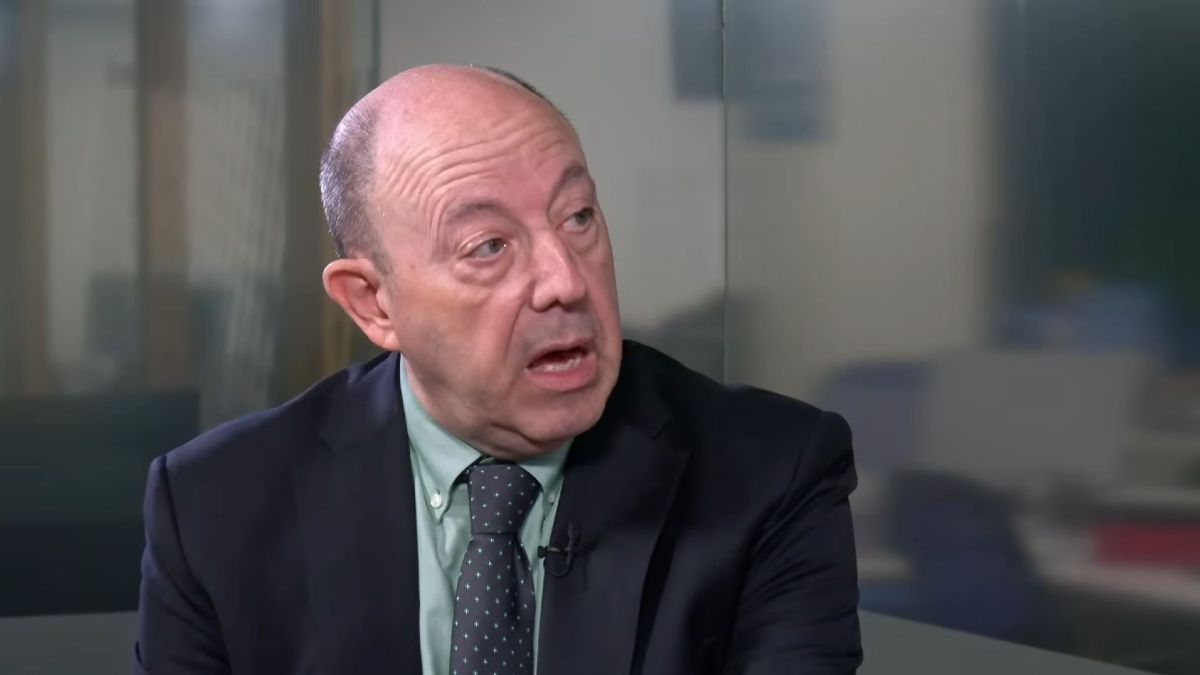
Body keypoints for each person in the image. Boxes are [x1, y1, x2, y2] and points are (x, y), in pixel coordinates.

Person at [135, 64, 861, 675]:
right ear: (373, 303)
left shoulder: (773, 475)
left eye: (578, 217)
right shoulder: (214, 508)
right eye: (489, 246)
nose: (564, 281)